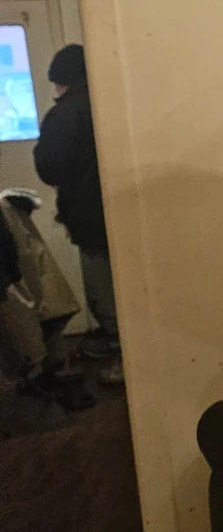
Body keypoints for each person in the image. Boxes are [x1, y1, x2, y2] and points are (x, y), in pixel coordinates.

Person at [33, 44, 123, 385]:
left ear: (63, 79)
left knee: (103, 291)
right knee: (122, 287)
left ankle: (125, 357)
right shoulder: (111, 103)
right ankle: (117, 345)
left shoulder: (65, 114)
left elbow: (48, 167)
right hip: (115, 212)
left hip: (89, 218)